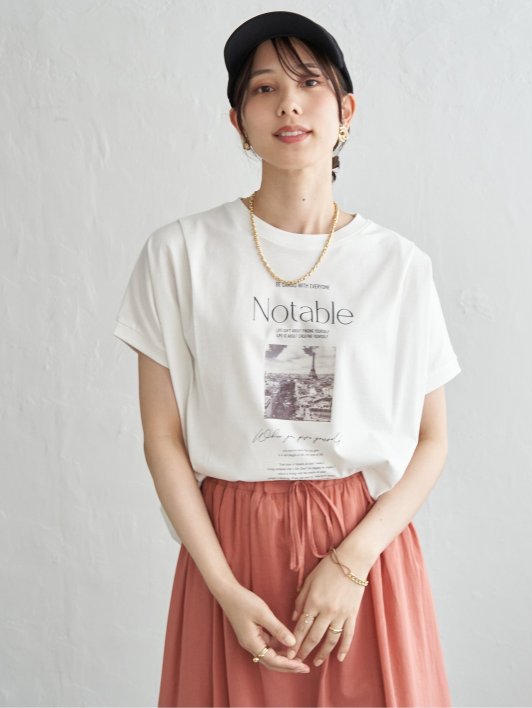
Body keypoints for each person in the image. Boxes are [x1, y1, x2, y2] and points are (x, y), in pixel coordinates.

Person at [113, 10, 462, 707]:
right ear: (237, 121)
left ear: (346, 111)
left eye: (309, 84)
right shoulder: (180, 254)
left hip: (361, 548)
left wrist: (352, 563)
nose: (289, 104)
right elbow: (163, 439)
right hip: (231, 549)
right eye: (264, 88)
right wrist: (222, 586)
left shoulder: (399, 266)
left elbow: (432, 439)